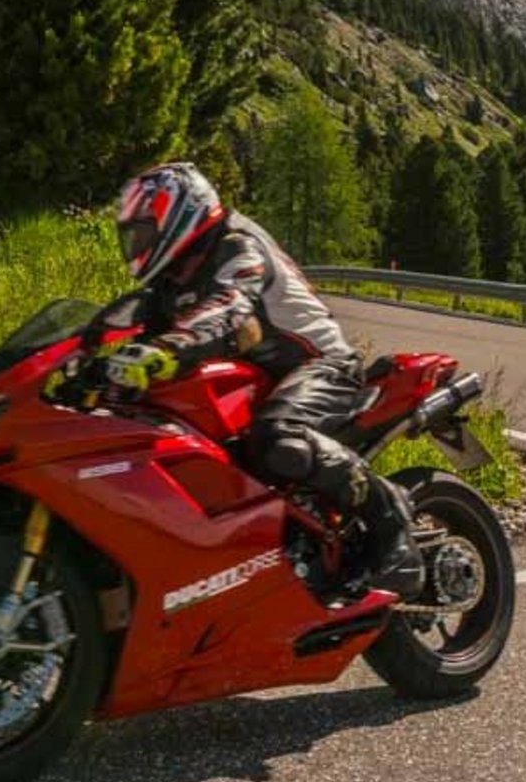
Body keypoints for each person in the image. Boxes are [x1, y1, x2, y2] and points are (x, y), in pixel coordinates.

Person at [100, 163, 425, 595]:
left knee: (278, 437)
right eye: (133, 238)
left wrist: (168, 349)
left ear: (179, 215)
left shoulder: (237, 245)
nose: (137, 247)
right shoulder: (171, 280)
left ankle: (391, 521)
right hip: (259, 380)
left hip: (319, 364)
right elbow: (118, 325)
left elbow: (232, 310)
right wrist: (87, 365)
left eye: (143, 234)